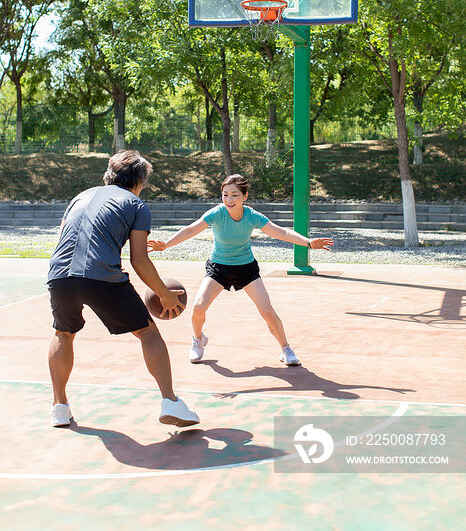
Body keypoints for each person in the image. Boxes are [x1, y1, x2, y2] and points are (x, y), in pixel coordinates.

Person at [47, 150, 199, 429]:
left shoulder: (79, 197)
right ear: (139, 182)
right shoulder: (136, 204)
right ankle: (170, 401)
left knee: (63, 333)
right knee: (147, 332)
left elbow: (61, 241)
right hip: (101, 276)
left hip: (59, 276)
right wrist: (164, 295)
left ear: (108, 175)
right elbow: (139, 259)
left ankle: (59, 407)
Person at [148, 174, 333, 367]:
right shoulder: (216, 213)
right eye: (225, 194)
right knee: (198, 308)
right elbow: (190, 230)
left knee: (267, 311)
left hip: (246, 268)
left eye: (235, 195)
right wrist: (166, 244)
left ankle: (286, 348)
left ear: (245, 196)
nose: (229, 200)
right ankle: (198, 339)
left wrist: (309, 243)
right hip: (218, 268)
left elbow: (281, 232)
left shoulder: (251, 216)